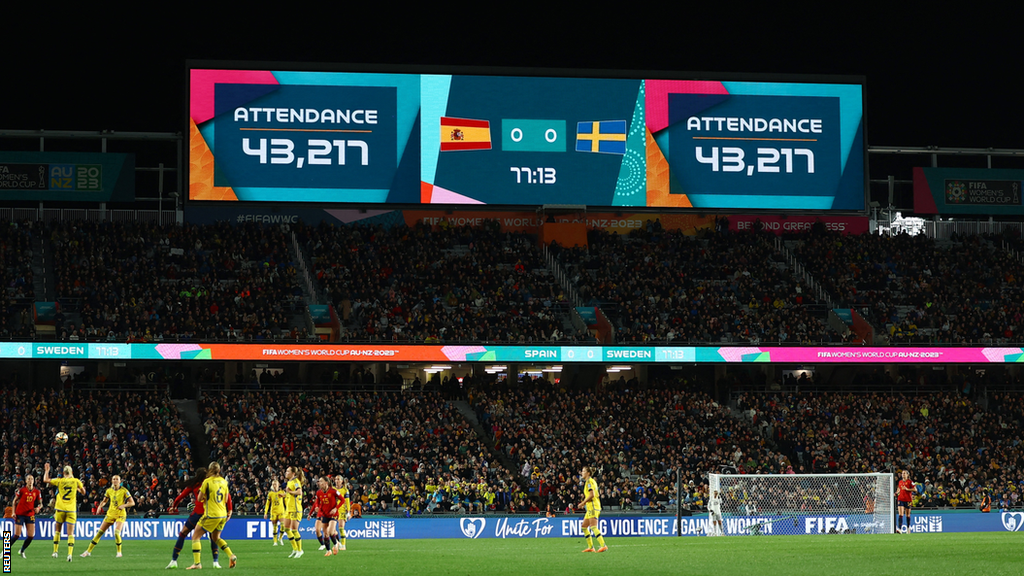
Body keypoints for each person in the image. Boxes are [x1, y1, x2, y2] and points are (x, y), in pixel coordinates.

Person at [166, 467, 220, 569]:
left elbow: (180, 496)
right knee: (213, 537)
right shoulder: (212, 483)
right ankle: (215, 562)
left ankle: (174, 561)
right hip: (210, 513)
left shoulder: (194, 485)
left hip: (197, 513)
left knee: (183, 533)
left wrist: (174, 507)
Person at [186, 462, 237, 570]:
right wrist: (229, 511)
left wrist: (206, 499)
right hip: (222, 514)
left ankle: (197, 563)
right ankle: (231, 555)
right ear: (219, 471)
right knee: (216, 537)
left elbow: (199, 499)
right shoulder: (224, 482)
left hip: (211, 514)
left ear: (209, 470)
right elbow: (227, 499)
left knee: (195, 536)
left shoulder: (207, 482)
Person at [81, 474, 135, 558]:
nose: (115, 480)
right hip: (110, 514)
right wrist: (99, 506)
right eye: (113, 479)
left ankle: (119, 552)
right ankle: (88, 551)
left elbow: (132, 502)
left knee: (116, 533)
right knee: (99, 533)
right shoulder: (109, 490)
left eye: (117, 479)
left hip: (120, 514)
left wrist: (124, 505)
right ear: (112, 481)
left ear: (120, 481)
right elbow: (104, 501)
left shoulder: (124, 490)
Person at [43, 462, 86, 562]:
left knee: (57, 531)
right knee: (70, 533)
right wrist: (78, 489)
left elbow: (46, 480)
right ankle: (70, 554)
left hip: (60, 509)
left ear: (63, 473)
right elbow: (83, 492)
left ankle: (55, 552)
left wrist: (46, 471)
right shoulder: (76, 481)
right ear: (71, 472)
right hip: (71, 509)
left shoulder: (60, 481)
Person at [11, 474, 42, 558]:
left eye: (32, 479)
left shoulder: (37, 492)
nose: (30, 480)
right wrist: (13, 512)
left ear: (34, 481)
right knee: (17, 535)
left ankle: (22, 550)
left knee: (31, 536)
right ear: (26, 481)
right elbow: (14, 501)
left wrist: (38, 508)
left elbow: (41, 503)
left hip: (30, 514)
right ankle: (5, 550)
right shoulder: (21, 490)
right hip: (20, 514)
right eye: (28, 479)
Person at [578, 466, 607, 553]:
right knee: (584, 527)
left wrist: (583, 503)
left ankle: (603, 545)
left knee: (593, 526)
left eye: (583, 471)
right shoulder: (588, 482)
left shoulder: (590, 482)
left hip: (593, 506)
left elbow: (592, 495)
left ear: (588, 473)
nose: (581, 473)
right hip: (590, 507)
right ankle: (590, 547)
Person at [284, 466, 306, 558]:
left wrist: (289, 491)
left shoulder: (296, 482)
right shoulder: (290, 482)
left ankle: (300, 550)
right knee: (286, 529)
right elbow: (291, 493)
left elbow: (299, 492)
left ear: (293, 473)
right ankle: (295, 549)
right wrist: (285, 494)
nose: (286, 472)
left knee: (294, 530)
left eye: (288, 471)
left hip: (295, 509)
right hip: (289, 509)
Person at [263, 479, 287, 546]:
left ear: (278, 485)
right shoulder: (270, 493)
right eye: (273, 484)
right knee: (274, 527)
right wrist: (265, 513)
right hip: (273, 512)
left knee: (283, 526)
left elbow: (286, 502)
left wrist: (288, 509)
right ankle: (275, 541)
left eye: (275, 484)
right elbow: (267, 504)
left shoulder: (282, 492)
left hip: (281, 511)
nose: (274, 485)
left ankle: (280, 538)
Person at [332, 475, 351, 553]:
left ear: (342, 481)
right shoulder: (332, 489)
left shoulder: (345, 490)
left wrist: (349, 511)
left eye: (338, 479)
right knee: (332, 530)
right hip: (333, 511)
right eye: (336, 479)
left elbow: (347, 501)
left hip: (342, 510)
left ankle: (343, 545)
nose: (337, 480)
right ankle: (337, 542)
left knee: (341, 528)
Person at [895, 469, 916, 533]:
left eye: (904, 473)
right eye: (902, 473)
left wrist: (907, 489)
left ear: (907, 474)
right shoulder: (900, 482)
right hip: (900, 499)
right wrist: (896, 493)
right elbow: (899, 488)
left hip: (908, 500)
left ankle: (908, 528)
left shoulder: (910, 482)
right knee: (900, 514)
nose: (903, 474)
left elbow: (915, 489)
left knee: (907, 515)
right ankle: (900, 529)